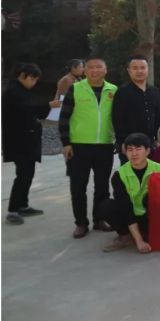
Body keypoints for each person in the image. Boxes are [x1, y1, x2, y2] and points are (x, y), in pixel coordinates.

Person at [59, 55, 118, 239]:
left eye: (99, 67)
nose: (95, 70)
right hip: (79, 146)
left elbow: (118, 117)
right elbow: (64, 117)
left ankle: (99, 219)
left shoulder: (113, 90)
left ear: (106, 70)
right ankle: (81, 223)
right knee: (78, 186)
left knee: (102, 186)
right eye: (91, 67)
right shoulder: (76, 89)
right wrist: (66, 143)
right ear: (85, 71)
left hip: (105, 145)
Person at [2, 63, 62, 225]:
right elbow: (24, 110)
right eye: (32, 78)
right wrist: (48, 105)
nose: (34, 82)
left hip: (28, 140)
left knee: (28, 174)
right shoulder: (13, 92)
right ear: (23, 75)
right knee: (22, 175)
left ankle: (23, 205)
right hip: (19, 141)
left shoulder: (25, 91)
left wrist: (48, 107)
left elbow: (36, 111)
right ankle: (13, 211)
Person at [100, 133, 160, 253]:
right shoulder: (119, 175)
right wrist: (139, 241)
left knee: (151, 198)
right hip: (130, 216)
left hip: (150, 217)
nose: (134, 154)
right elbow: (125, 207)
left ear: (147, 151)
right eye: (130, 149)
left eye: (138, 149)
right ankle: (127, 235)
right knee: (105, 205)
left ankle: (151, 233)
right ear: (125, 151)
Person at [112, 54, 160, 164]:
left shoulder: (154, 91)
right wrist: (122, 141)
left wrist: (158, 139)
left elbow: (158, 116)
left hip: (150, 144)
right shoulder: (122, 92)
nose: (139, 71)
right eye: (135, 68)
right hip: (130, 144)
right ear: (129, 71)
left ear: (148, 69)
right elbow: (117, 119)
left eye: (142, 68)